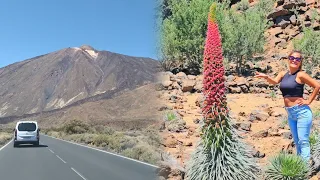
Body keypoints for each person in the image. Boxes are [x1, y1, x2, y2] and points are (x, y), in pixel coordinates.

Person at [255, 50, 320, 162]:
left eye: (298, 59)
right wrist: (266, 77)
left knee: (303, 141)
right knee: (297, 140)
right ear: (288, 59)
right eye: (292, 58)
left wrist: (308, 101)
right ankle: (300, 164)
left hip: (302, 112)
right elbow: (274, 82)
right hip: (290, 113)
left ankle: (304, 168)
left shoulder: (301, 75)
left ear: (300, 62)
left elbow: (317, 86)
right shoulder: (283, 74)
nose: (294, 60)